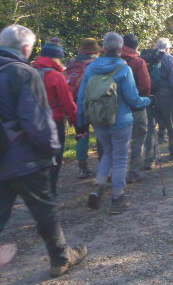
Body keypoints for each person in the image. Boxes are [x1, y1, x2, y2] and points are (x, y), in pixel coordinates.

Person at [0, 25, 87, 285]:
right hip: (25, 159)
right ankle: (61, 259)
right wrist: (51, 150)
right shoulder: (23, 72)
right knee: (45, 208)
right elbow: (37, 121)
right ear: (26, 48)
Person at [77, 32, 151, 214]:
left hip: (98, 120)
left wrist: (81, 120)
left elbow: (82, 97)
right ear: (120, 48)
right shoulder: (124, 69)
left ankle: (98, 187)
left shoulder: (92, 68)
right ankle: (117, 199)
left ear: (103, 48)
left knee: (108, 154)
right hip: (121, 120)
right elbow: (133, 99)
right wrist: (148, 101)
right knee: (119, 159)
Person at [32, 38, 79, 196]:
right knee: (55, 157)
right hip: (54, 122)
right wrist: (76, 121)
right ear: (56, 57)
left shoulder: (30, 71)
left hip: (33, 122)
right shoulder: (56, 76)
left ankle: (37, 188)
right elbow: (68, 102)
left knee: (38, 157)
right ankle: (50, 190)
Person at [64, 38, 102, 179]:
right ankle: (103, 165)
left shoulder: (72, 65)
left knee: (81, 135)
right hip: (95, 104)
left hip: (77, 106)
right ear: (96, 52)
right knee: (100, 133)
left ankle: (82, 168)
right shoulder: (96, 65)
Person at [121, 33, 151, 184]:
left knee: (118, 140)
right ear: (136, 46)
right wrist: (144, 99)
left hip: (115, 107)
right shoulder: (138, 62)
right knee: (138, 138)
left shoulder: (110, 59)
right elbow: (145, 86)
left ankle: (115, 173)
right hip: (136, 106)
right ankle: (135, 172)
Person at [150, 38, 173, 159]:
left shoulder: (150, 58)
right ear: (167, 48)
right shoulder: (170, 58)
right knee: (171, 123)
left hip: (152, 95)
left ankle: (152, 155)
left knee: (151, 125)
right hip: (167, 95)